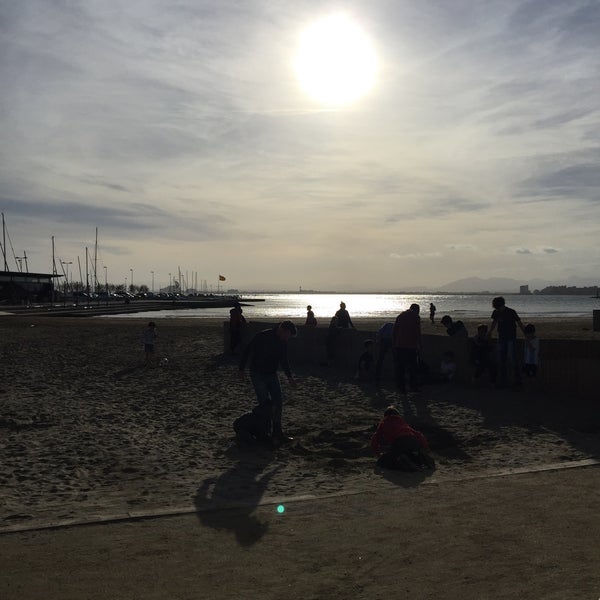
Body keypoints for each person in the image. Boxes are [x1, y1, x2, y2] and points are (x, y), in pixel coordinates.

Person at [238, 320, 297, 447]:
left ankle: (277, 432)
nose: (287, 339)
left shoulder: (282, 342)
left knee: (278, 403)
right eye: (288, 335)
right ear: (283, 330)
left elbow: (284, 359)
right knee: (265, 405)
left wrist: (289, 377)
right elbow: (247, 350)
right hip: (257, 374)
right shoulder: (262, 336)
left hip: (272, 374)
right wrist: (241, 369)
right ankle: (264, 433)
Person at [371, 406, 434, 471]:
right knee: (411, 454)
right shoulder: (402, 422)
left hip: (399, 442)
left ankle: (404, 462)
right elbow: (419, 434)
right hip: (414, 441)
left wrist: (378, 453)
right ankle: (420, 461)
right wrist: (426, 447)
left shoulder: (384, 422)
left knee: (382, 462)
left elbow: (374, 438)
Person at [488, 296, 526, 387]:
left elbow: (519, 323)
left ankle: (514, 381)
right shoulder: (496, 312)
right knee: (501, 360)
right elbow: (494, 323)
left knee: (511, 360)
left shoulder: (511, 312)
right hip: (502, 338)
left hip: (511, 338)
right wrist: (490, 332)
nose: (497, 309)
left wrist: (526, 334)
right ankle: (502, 381)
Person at [392, 303, 421, 395]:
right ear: (417, 310)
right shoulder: (416, 317)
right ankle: (413, 387)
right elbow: (417, 332)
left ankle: (401, 388)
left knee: (400, 368)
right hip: (411, 346)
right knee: (413, 368)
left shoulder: (400, 316)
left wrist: (394, 344)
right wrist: (420, 345)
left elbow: (395, 331)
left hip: (399, 345)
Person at [375, 322, 394, 386]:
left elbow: (379, 333)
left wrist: (378, 341)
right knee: (395, 358)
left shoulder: (385, 326)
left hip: (384, 340)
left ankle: (377, 376)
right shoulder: (392, 326)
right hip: (391, 340)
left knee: (380, 359)